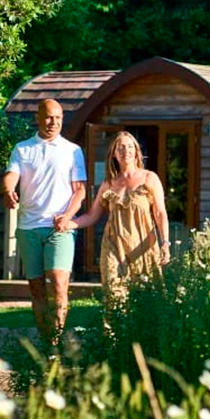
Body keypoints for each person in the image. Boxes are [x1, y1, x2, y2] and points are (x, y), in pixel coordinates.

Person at [2, 99, 86, 346]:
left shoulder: (72, 151)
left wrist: (68, 216)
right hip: (28, 227)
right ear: (38, 118)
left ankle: (56, 342)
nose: (54, 123)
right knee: (37, 288)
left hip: (59, 227)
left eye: (59, 118)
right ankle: (44, 338)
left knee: (59, 284)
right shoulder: (22, 149)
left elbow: (79, 191)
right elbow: (11, 176)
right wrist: (8, 191)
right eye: (49, 117)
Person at [56, 131, 170, 306]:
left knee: (147, 297)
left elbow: (160, 213)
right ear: (114, 154)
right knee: (113, 294)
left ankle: (142, 333)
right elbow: (92, 216)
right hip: (113, 245)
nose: (126, 151)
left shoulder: (149, 178)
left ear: (136, 151)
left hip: (142, 246)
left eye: (130, 146)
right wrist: (68, 223)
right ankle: (113, 332)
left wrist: (165, 243)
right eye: (121, 147)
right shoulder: (108, 184)